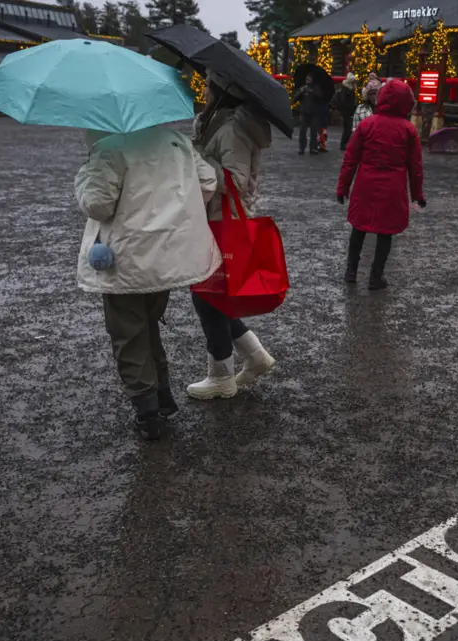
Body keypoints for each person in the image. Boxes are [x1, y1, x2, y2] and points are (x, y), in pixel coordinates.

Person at [74, 126, 221, 440]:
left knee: (128, 332)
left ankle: (147, 412)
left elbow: (97, 204)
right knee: (148, 322)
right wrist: (173, 213)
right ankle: (162, 395)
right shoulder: (177, 142)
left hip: (124, 258)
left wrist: (86, 175)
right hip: (165, 256)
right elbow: (208, 181)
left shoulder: (111, 147)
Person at [187, 72, 278, 400]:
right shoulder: (217, 124)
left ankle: (221, 376)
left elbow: (236, 180)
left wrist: (196, 160)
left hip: (225, 223)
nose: (205, 90)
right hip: (215, 221)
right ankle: (255, 357)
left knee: (207, 297)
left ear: (224, 92)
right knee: (213, 296)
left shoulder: (232, 130)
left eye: (210, 85)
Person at [336, 80, 425, 291]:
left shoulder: (367, 125)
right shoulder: (408, 130)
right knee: (386, 233)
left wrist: (343, 187)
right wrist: (417, 194)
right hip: (393, 189)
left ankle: (351, 271)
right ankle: (376, 276)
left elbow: (350, 159)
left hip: (365, 185)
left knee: (359, 229)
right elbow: (415, 166)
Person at [294, 74, 328, 155]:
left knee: (313, 131)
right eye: (306, 78)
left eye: (309, 79)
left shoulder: (316, 88)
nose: (307, 80)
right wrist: (300, 92)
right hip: (304, 112)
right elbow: (295, 98)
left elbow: (320, 97)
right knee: (302, 131)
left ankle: (313, 147)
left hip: (314, 112)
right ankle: (301, 148)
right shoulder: (303, 88)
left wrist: (311, 91)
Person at [334, 73, 358, 151]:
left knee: (348, 128)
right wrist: (350, 106)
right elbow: (344, 100)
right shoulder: (346, 88)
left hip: (349, 111)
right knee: (347, 128)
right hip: (346, 111)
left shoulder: (351, 88)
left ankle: (345, 143)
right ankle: (343, 144)